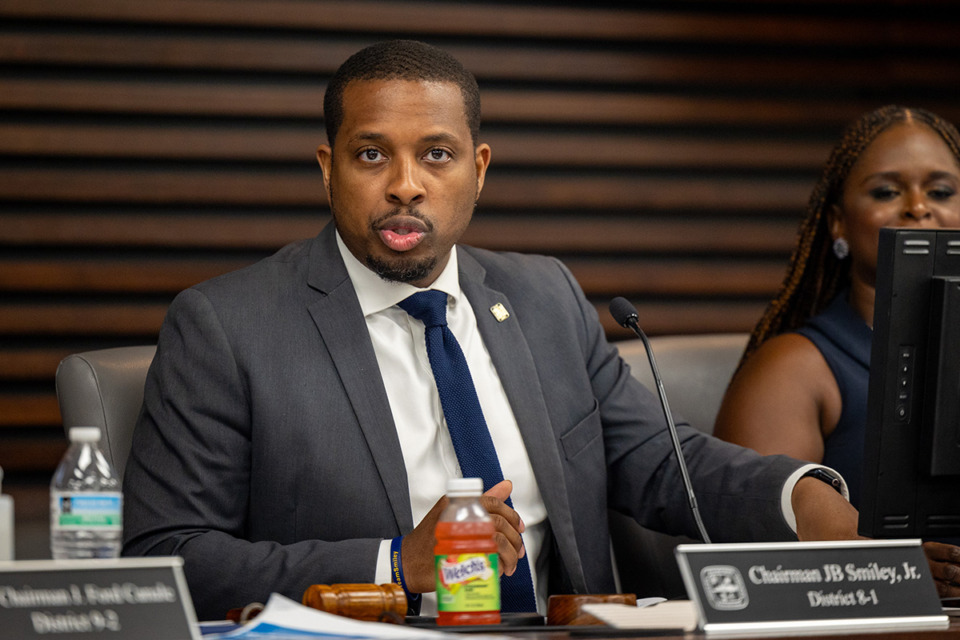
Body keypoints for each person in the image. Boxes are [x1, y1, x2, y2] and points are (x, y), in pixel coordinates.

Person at [122, 39, 857, 620]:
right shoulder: (226, 327)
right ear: (328, 168)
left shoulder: (543, 296)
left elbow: (659, 462)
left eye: (435, 154)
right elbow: (169, 556)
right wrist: (395, 564)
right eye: (371, 153)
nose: (405, 183)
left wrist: (798, 498)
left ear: (477, 169)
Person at [714, 104, 960, 597]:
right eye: (887, 191)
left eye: (941, 191)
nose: (917, 206)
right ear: (838, 224)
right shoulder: (795, 368)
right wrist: (889, 573)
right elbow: (755, 572)